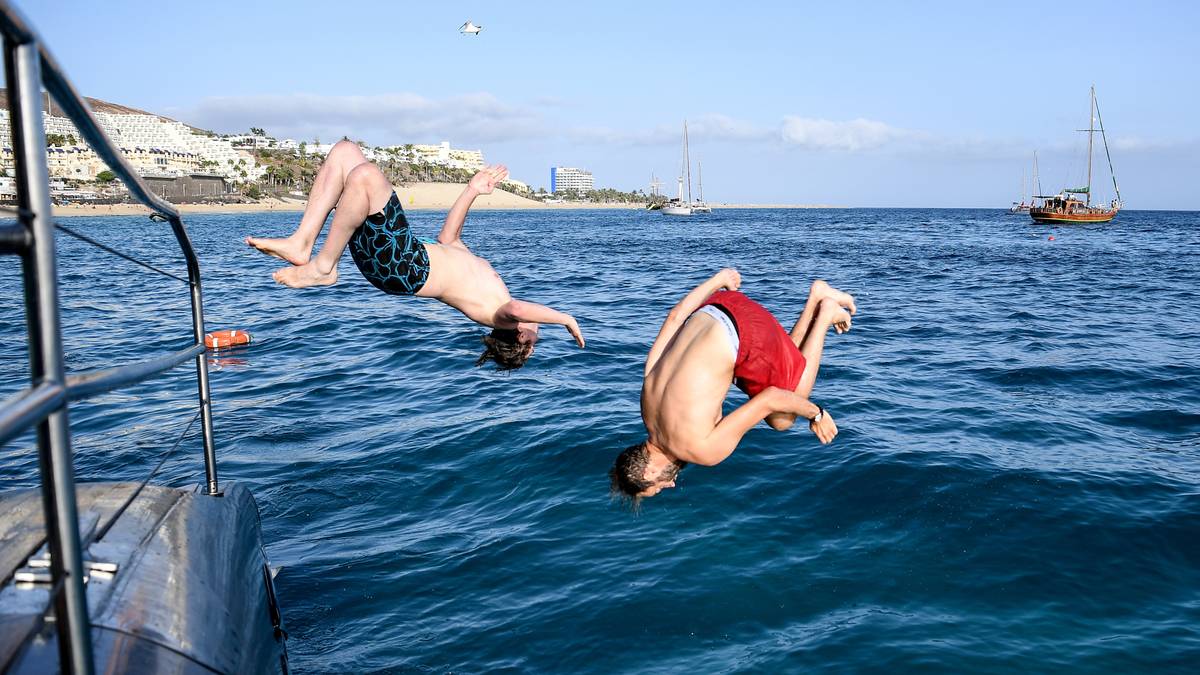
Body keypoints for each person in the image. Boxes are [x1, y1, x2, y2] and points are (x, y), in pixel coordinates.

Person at [245, 140, 584, 369]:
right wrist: (472, 190)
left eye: (536, 343)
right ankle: (302, 242)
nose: (538, 335)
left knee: (366, 176)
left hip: (406, 265)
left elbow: (518, 308)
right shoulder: (490, 294)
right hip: (399, 258)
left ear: (523, 340)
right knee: (346, 152)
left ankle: (323, 266)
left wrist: (566, 318)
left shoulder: (500, 315)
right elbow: (449, 238)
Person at [609, 269, 856, 505]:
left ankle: (825, 313)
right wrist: (718, 280)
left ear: (649, 472)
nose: (671, 485)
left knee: (783, 420)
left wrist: (817, 414)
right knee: (778, 386)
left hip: (745, 328)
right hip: (717, 305)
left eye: (658, 487)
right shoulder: (646, 405)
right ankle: (816, 297)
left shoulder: (701, 449)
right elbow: (675, 318)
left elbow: (770, 398)